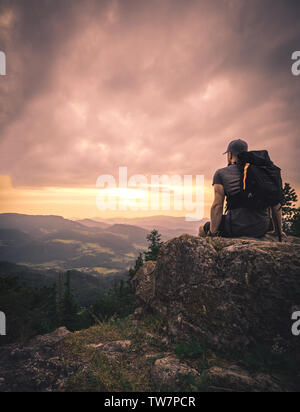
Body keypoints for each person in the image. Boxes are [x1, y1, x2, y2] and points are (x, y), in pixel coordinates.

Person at [199, 139, 286, 239]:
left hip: (236, 227)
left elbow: (217, 206)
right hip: (261, 227)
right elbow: (276, 204)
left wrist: (212, 233)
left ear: (230, 155)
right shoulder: (262, 171)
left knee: (203, 229)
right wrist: (278, 232)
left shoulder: (221, 173)